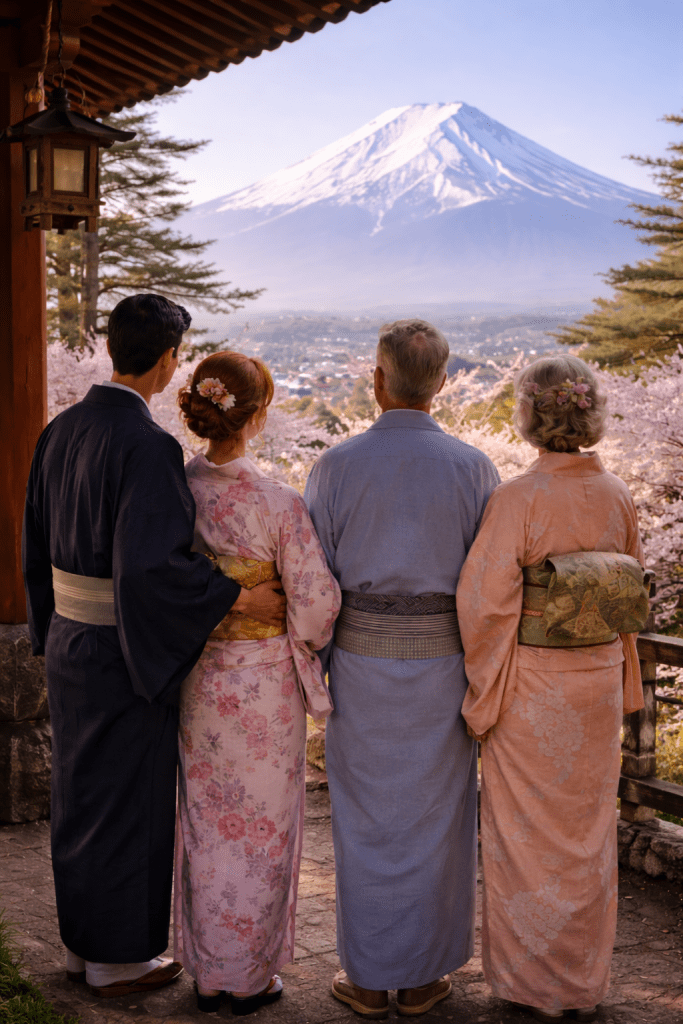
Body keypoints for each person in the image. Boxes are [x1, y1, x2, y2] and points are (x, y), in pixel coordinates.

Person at [22, 295, 285, 998]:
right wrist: (236, 596)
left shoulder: (61, 429)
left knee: (81, 794)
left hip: (70, 641)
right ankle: (118, 959)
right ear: (169, 361)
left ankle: (82, 946)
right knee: (126, 799)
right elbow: (152, 567)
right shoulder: (146, 445)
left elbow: (36, 542)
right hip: (121, 650)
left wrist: (49, 629)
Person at [304, 319, 500, 1019]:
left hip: (359, 666)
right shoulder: (474, 467)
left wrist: (315, 670)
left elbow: (315, 586)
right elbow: (490, 587)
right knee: (438, 819)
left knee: (363, 822)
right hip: (444, 669)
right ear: (442, 383)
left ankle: (366, 976)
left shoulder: (334, 466)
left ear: (376, 379)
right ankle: (419, 979)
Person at [456, 355, 646, 1023]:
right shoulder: (617, 492)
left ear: (529, 414)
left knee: (525, 835)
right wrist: (626, 675)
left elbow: (483, 605)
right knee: (586, 834)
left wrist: (483, 693)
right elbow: (625, 595)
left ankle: (534, 985)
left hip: (535, 687)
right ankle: (579, 984)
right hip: (593, 679)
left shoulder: (517, 499)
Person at [173, 351, 341, 1016]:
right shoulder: (278, 504)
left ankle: (209, 971)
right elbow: (315, 607)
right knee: (262, 825)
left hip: (197, 680)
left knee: (206, 820)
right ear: (258, 415)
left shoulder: (173, 494)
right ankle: (246, 977)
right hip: (264, 685)